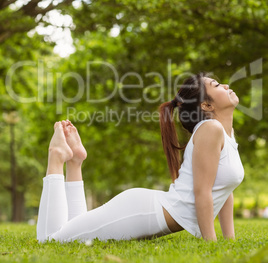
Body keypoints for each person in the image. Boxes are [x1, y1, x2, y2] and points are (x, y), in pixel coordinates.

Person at [37, 73, 244, 243]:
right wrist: (211, 242)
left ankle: (75, 163)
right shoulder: (211, 129)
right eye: (217, 85)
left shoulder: (226, 135)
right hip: (142, 212)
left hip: (150, 211)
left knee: (74, 232)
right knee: (50, 240)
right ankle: (56, 157)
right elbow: (202, 191)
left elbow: (224, 190)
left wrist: (230, 240)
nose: (226, 85)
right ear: (206, 105)